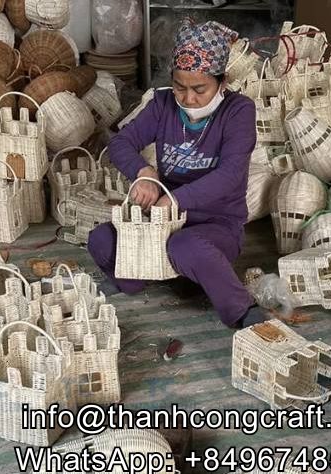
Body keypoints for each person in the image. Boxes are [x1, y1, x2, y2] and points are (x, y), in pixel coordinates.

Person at [88, 19, 267, 329]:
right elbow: (121, 143)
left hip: (214, 225)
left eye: (200, 89)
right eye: (179, 87)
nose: (188, 98)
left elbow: (231, 175)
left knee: (186, 246)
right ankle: (132, 280)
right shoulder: (162, 104)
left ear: (222, 82)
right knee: (101, 238)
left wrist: (174, 199)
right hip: (160, 223)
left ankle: (241, 309)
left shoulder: (239, 111)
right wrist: (144, 173)